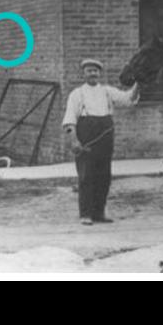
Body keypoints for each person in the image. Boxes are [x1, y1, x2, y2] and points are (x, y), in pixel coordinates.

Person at [62, 59, 139, 225]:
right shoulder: (77, 94)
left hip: (105, 140)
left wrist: (139, 82)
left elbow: (128, 99)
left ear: (100, 73)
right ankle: (85, 214)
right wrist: (74, 140)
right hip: (85, 139)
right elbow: (70, 120)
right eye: (89, 71)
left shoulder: (107, 91)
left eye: (95, 71)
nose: (93, 74)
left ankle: (99, 213)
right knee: (86, 176)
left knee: (104, 177)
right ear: (83, 74)